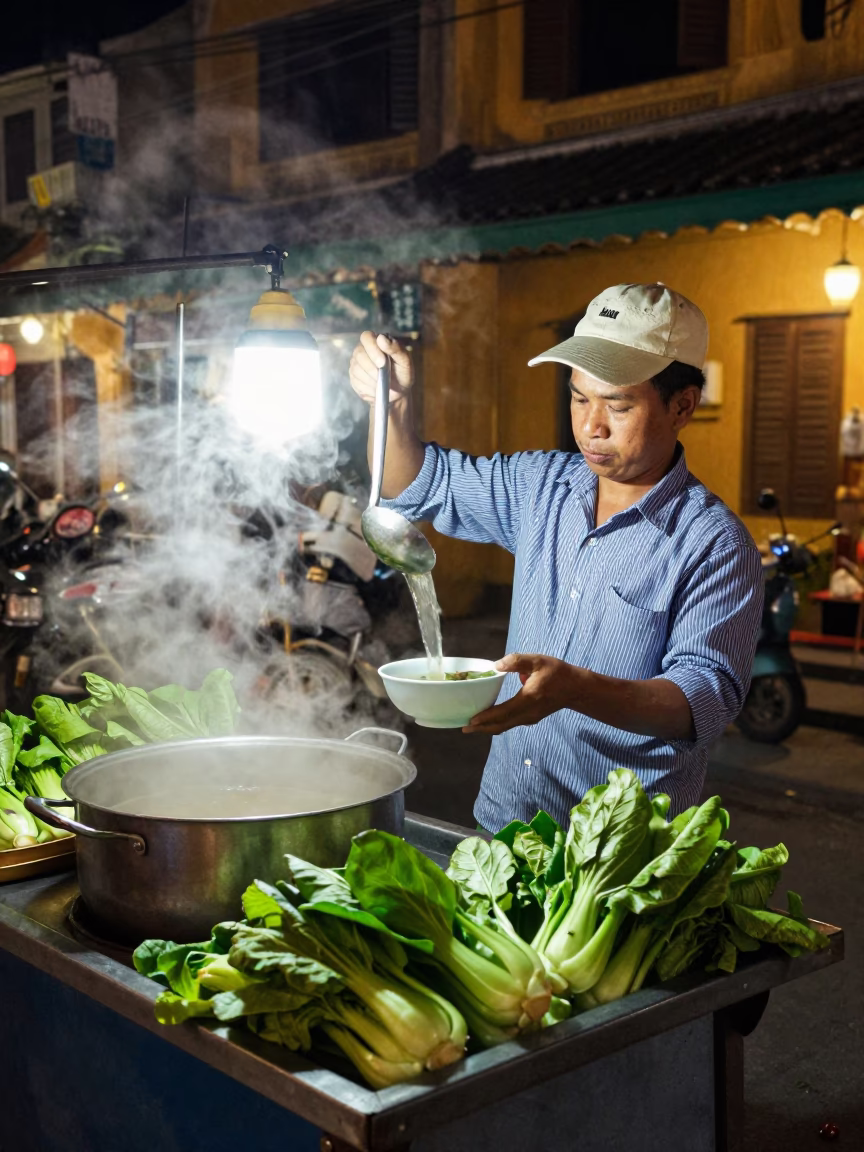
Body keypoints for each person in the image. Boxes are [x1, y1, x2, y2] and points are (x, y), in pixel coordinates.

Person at [349, 283, 763, 832]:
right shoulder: (542, 486)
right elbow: (422, 485)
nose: (592, 426)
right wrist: (392, 407)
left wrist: (576, 689)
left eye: (618, 404)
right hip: (506, 824)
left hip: (621, 855)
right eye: (578, 397)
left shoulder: (713, 542)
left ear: (682, 405)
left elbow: (702, 701)